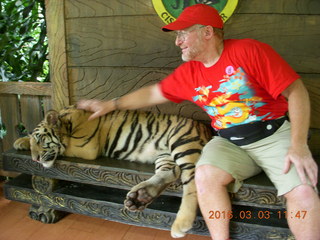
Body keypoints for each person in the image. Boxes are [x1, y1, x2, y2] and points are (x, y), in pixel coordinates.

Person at [77, 4, 320, 240]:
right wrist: (110, 105)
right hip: (228, 142)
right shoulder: (189, 73)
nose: (177, 41)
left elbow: (296, 91)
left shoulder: (249, 51)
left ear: (207, 32)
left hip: (272, 135)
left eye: (184, 33)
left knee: (304, 194)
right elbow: (153, 94)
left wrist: (298, 145)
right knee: (204, 175)